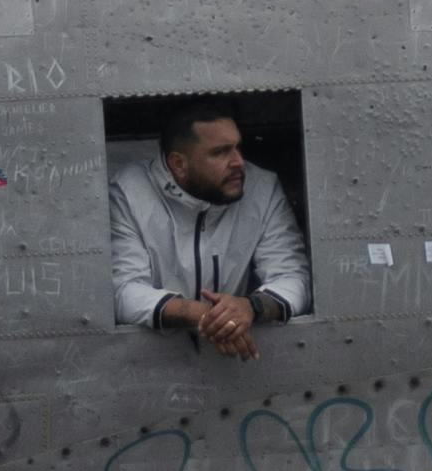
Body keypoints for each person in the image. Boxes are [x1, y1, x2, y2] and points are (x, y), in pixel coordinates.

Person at [108, 104, 310, 358]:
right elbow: (123, 291)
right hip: (151, 365)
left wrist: (251, 307)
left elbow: (294, 278)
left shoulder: (262, 187)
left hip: (235, 366)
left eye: (238, 147)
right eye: (220, 152)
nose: (238, 162)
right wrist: (210, 317)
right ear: (179, 164)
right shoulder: (129, 191)